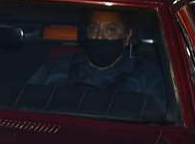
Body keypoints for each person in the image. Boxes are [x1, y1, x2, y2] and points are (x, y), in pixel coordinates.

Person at [27, 9, 163, 97]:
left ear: (127, 37)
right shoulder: (54, 67)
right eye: (93, 29)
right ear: (86, 32)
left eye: (110, 30)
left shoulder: (147, 77)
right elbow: (26, 103)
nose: (99, 36)